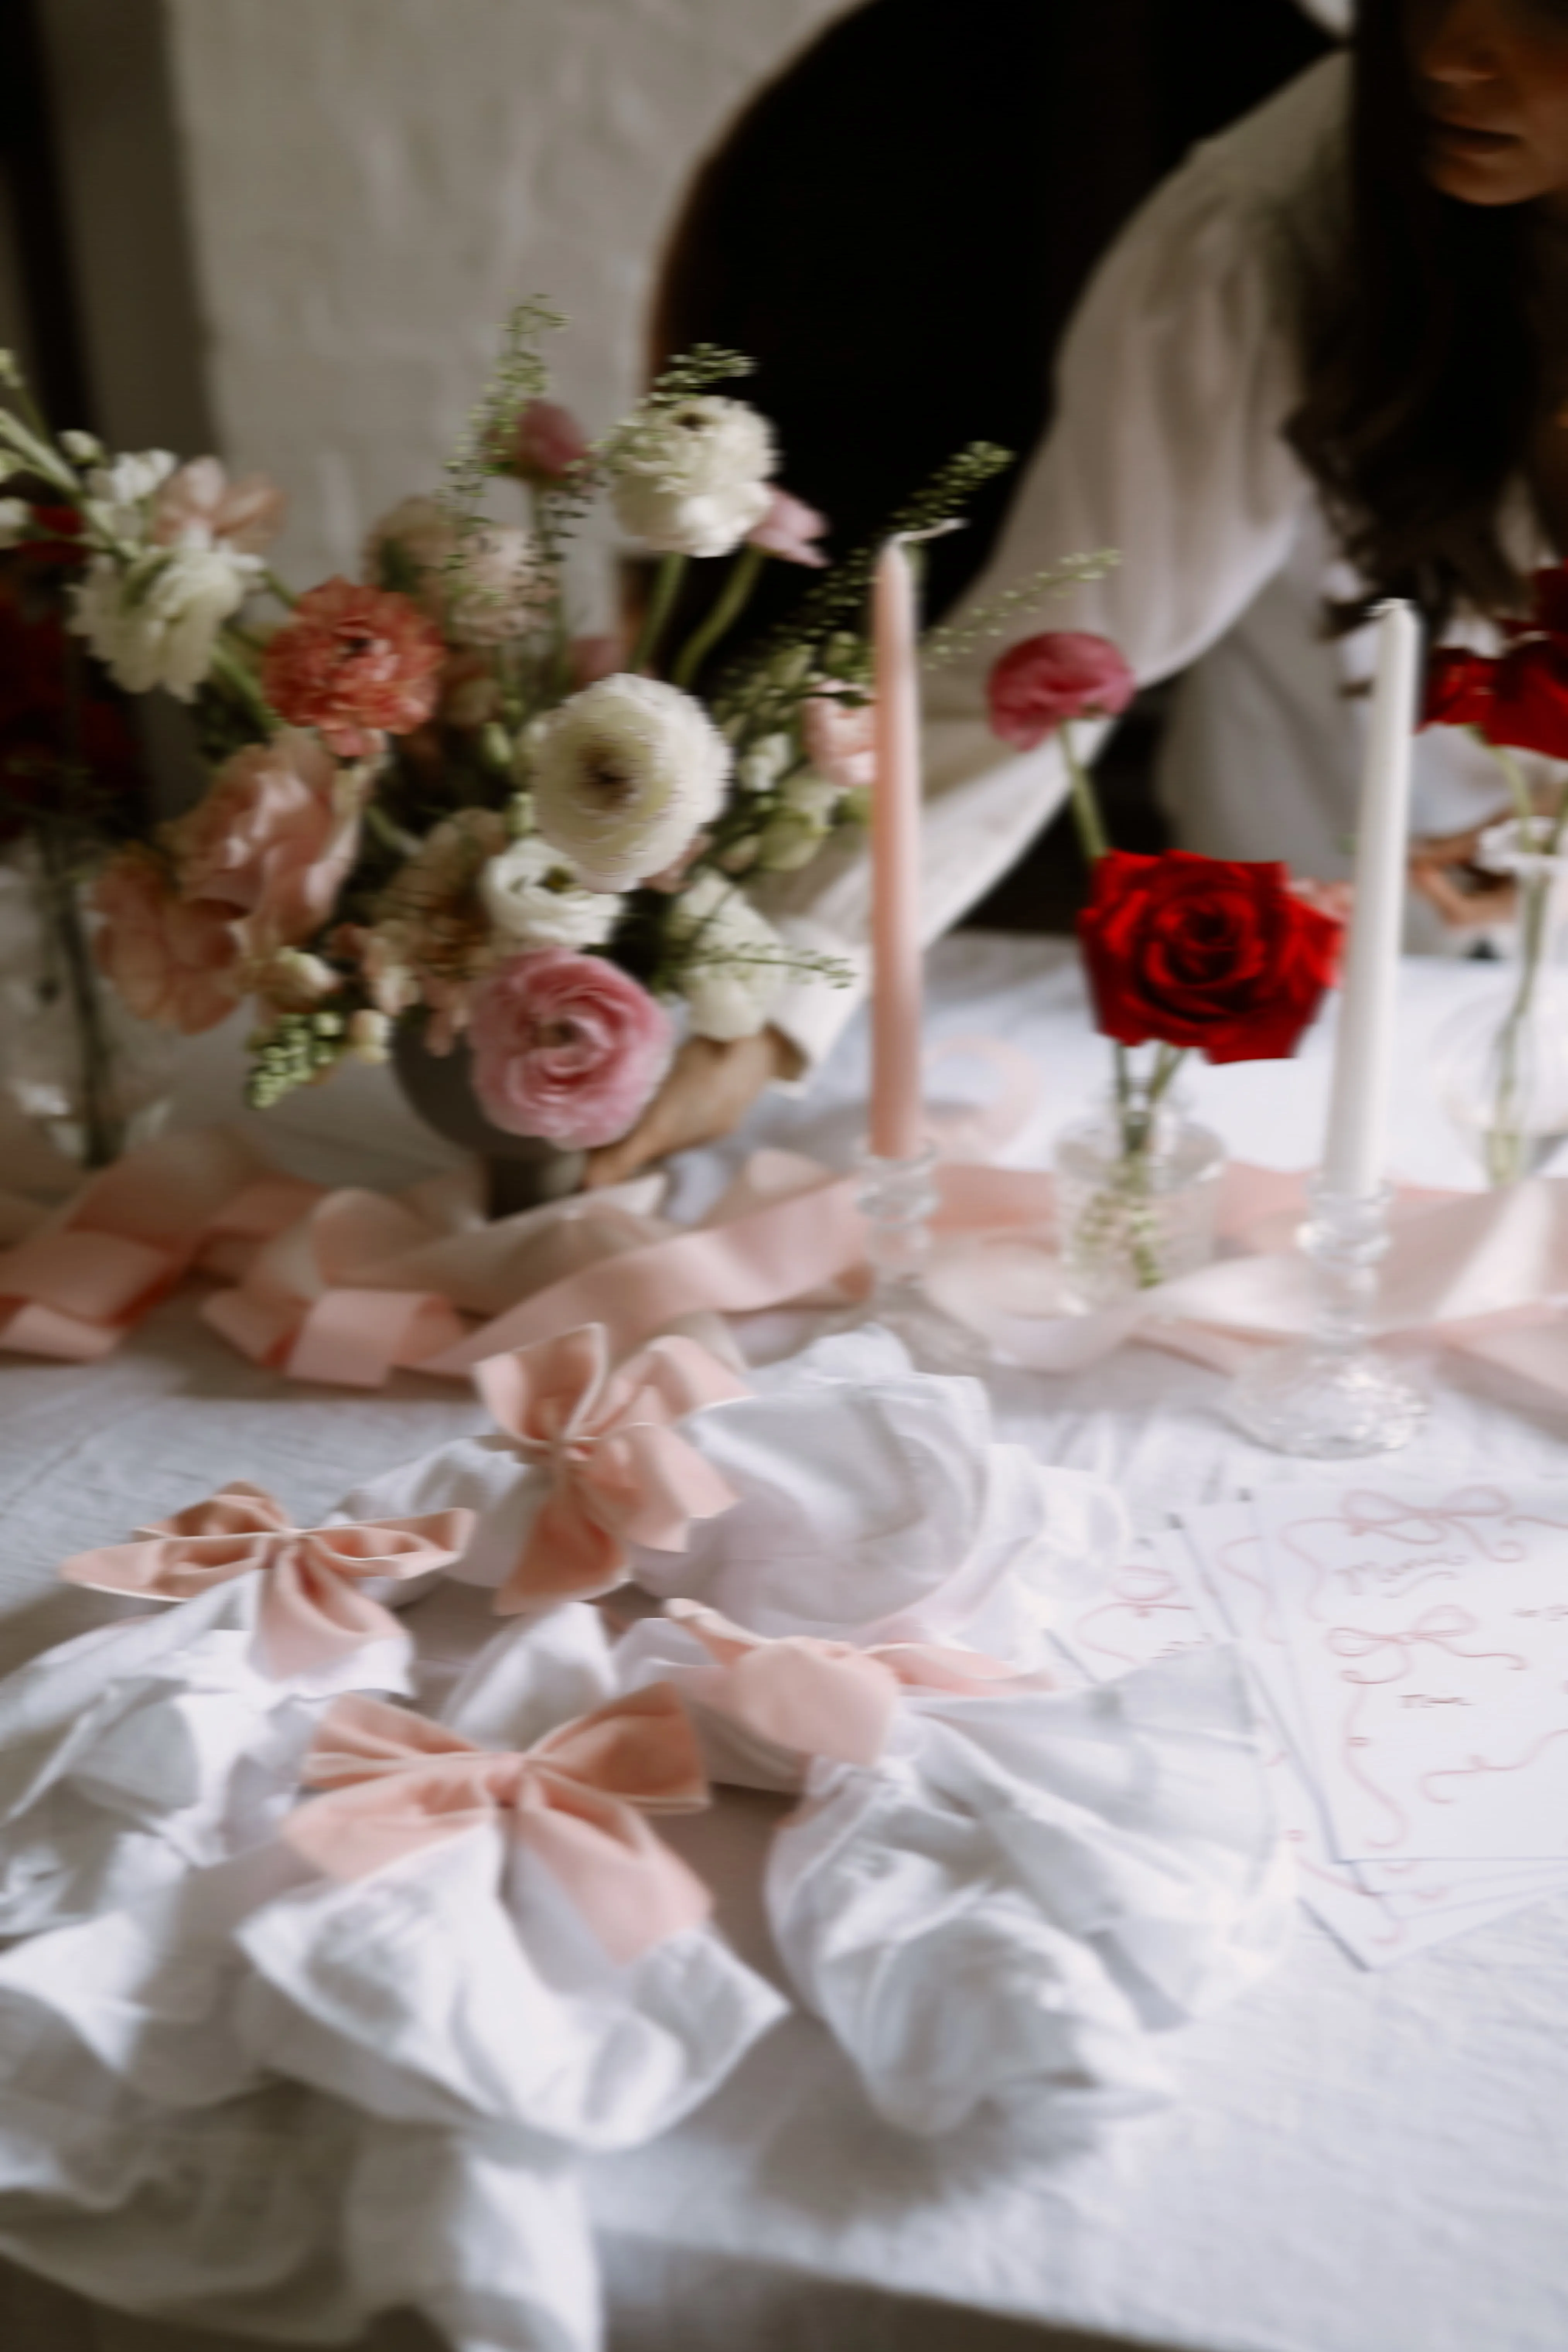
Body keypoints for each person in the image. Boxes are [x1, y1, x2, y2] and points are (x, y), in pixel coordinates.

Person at [586, 0, 1565, 1185]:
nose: (1447, 56)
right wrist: (782, 994)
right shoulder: (1263, 236)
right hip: (1335, 948)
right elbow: (1044, 665)